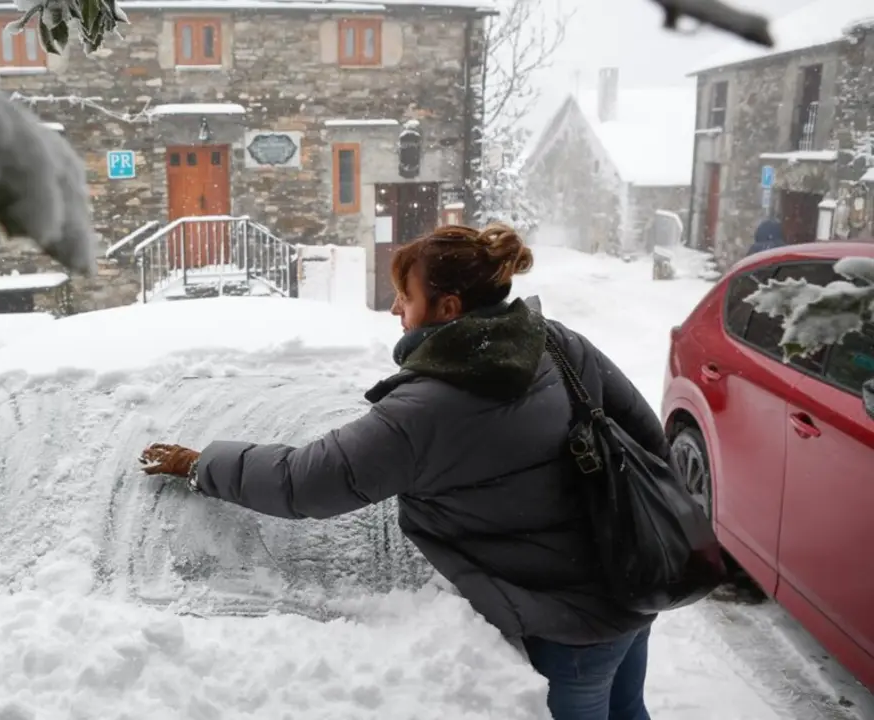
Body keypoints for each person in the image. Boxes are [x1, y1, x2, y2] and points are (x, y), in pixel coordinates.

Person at [140, 223, 666, 720]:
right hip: (629, 582)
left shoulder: (426, 411)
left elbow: (303, 482)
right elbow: (645, 435)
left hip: (568, 627)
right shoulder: (556, 343)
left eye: (405, 297)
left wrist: (200, 464)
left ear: (448, 307)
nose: (395, 308)